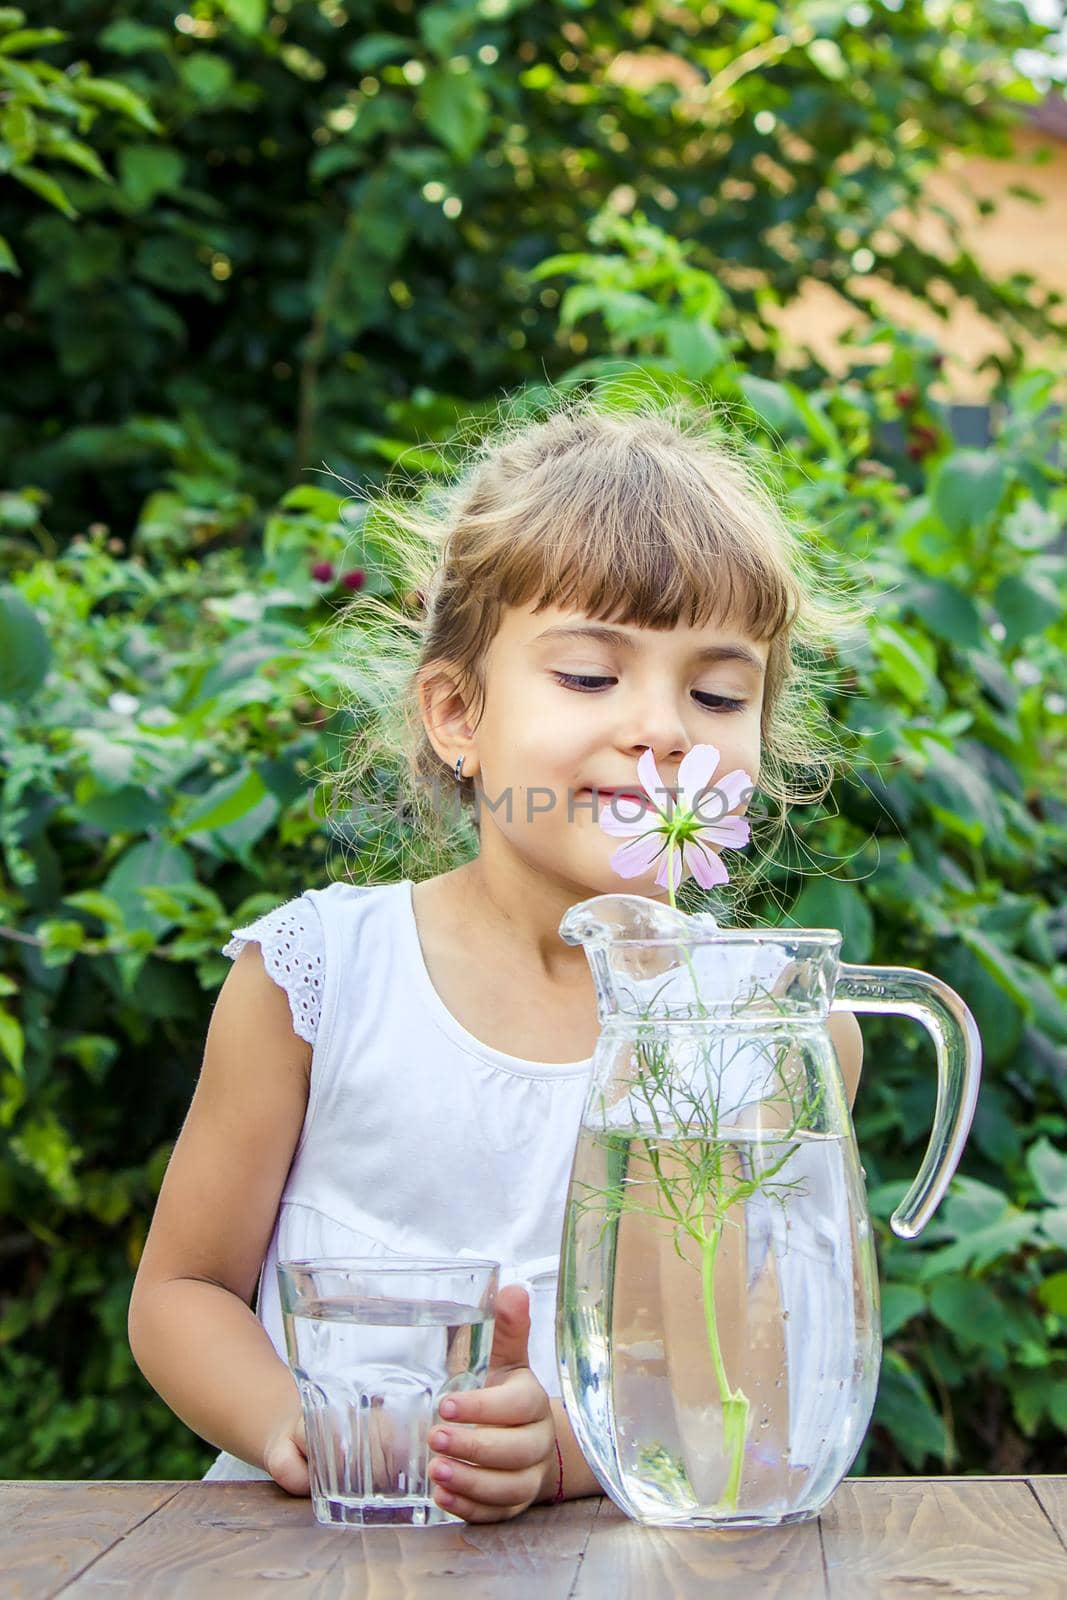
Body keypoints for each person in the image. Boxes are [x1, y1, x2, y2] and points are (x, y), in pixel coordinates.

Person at [127, 389, 867, 1524]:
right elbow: (181, 1292)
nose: (664, 727)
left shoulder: (768, 1028)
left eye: (717, 691)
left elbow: (733, 1384)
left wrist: (562, 1450)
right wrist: (302, 1425)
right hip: (317, 1554)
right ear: (457, 715)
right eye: (587, 675)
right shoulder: (313, 981)